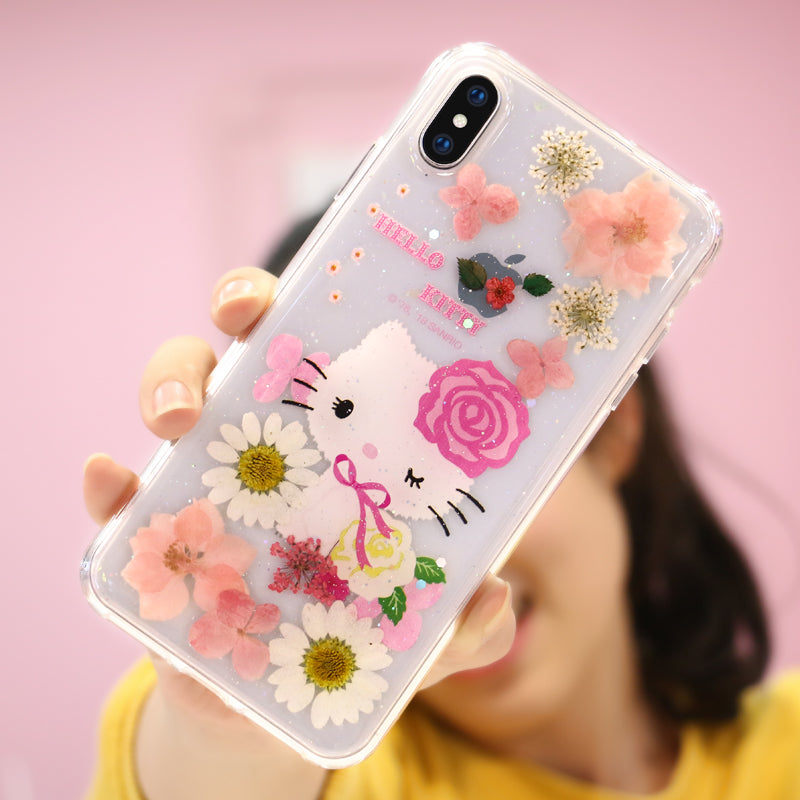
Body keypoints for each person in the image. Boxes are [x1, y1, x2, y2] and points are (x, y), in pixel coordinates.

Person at [83, 220, 800, 799]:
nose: (455, 561)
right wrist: (233, 722)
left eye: (475, 479)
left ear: (611, 434)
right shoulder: (349, 768)